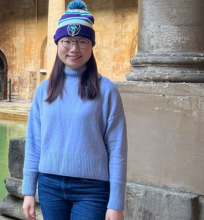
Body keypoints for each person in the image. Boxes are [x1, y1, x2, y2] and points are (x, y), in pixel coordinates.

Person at [22, 1, 127, 220]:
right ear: (57, 43)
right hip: (49, 186)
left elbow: (117, 150)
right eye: (67, 41)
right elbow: (34, 142)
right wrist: (28, 190)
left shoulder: (107, 90)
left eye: (82, 41)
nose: (73, 48)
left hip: (92, 190)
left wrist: (116, 203)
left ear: (91, 45)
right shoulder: (44, 90)